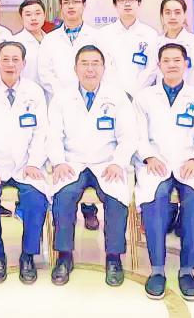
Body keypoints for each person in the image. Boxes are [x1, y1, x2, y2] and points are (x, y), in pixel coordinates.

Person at [48, 45, 136, 287]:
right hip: (72, 161)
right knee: (64, 197)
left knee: (116, 198)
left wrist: (118, 162)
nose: (90, 69)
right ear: (75, 68)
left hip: (107, 162)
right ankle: (64, 256)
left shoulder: (117, 97)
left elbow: (129, 136)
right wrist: (58, 161)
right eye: (84, 63)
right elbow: (53, 135)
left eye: (95, 63)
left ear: (104, 68)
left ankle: (114, 258)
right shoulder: (62, 98)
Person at [134, 43, 194, 301]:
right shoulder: (144, 98)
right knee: (155, 200)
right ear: (158, 65)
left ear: (186, 64)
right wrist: (149, 156)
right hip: (155, 162)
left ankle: (187, 270)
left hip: (188, 162)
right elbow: (137, 134)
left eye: (177, 60)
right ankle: (157, 269)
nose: (171, 65)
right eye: (166, 60)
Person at [0, 41, 49, 284]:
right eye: (5, 59)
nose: (10, 64)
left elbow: (41, 132)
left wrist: (34, 162)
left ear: (23, 63)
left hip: (26, 164)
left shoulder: (34, 92)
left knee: (36, 198)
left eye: (16, 59)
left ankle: (28, 255)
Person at [37, 0, 102, 231]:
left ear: (84, 5)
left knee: (92, 148)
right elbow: (45, 73)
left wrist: (86, 89)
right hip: (60, 102)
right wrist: (66, 93)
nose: (71, 6)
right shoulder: (50, 39)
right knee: (65, 156)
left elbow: (103, 67)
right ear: (60, 7)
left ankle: (89, 209)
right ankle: (65, 221)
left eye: (76, 1)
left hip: (92, 100)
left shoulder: (97, 37)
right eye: (66, 2)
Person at [98, 0, 159, 97]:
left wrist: (135, 92)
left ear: (139, 3)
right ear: (115, 4)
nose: (127, 4)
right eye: (121, 0)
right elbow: (104, 66)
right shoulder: (104, 34)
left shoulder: (150, 34)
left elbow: (152, 68)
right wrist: (119, 94)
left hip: (141, 95)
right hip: (112, 95)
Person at [151, 0, 194, 89]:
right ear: (162, 16)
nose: (172, 17)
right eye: (168, 13)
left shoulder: (193, 42)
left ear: (184, 15)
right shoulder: (156, 42)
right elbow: (151, 73)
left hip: (188, 95)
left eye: (177, 12)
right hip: (161, 94)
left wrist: (193, 96)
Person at [12, 0, 47, 86]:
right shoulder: (14, 43)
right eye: (28, 15)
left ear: (44, 15)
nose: (33, 18)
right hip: (26, 91)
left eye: (38, 13)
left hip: (52, 92)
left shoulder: (53, 40)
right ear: (21, 18)